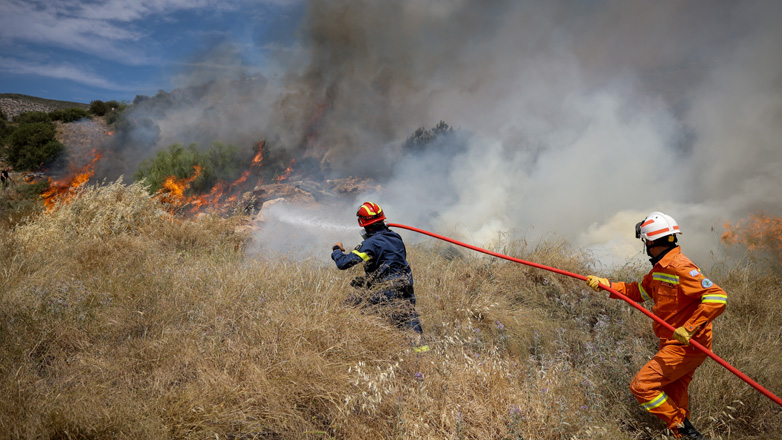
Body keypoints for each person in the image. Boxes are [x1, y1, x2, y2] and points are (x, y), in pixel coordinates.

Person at [585, 212, 726, 440]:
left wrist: (689, 328)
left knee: (642, 386)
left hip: (686, 345)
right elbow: (638, 292)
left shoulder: (680, 267)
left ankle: (687, 432)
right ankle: (682, 434)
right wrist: (607, 285)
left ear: (651, 242)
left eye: (646, 242)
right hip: (672, 343)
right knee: (674, 396)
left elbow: (718, 297)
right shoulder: (660, 269)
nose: (646, 247)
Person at [331, 201, 422, 334]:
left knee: (349, 308)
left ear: (362, 223)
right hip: (405, 288)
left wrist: (336, 250)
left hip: (386, 292)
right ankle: (423, 353)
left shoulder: (370, 244)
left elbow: (343, 263)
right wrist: (368, 283)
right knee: (410, 326)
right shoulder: (396, 237)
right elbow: (390, 264)